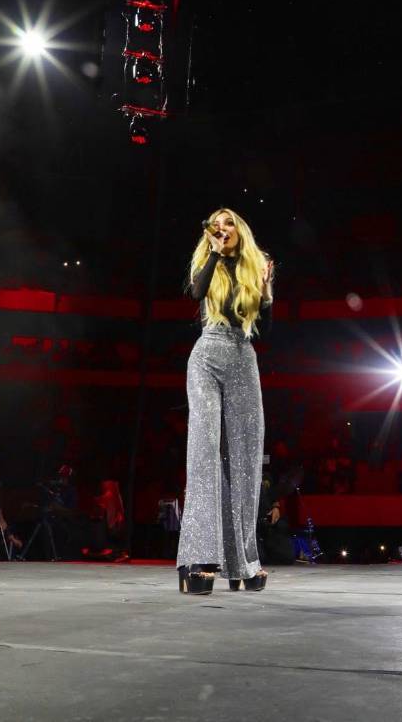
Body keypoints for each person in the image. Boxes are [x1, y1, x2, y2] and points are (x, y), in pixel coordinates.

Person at [176, 208, 274, 594]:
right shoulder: (207, 263)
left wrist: (266, 290)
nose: (224, 228)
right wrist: (215, 253)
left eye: (230, 222)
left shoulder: (256, 267)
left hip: (242, 356)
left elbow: (267, 328)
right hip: (207, 355)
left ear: (241, 230)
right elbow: (197, 293)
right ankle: (199, 559)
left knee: (246, 460)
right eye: (218, 224)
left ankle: (244, 562)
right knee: (204, 453)